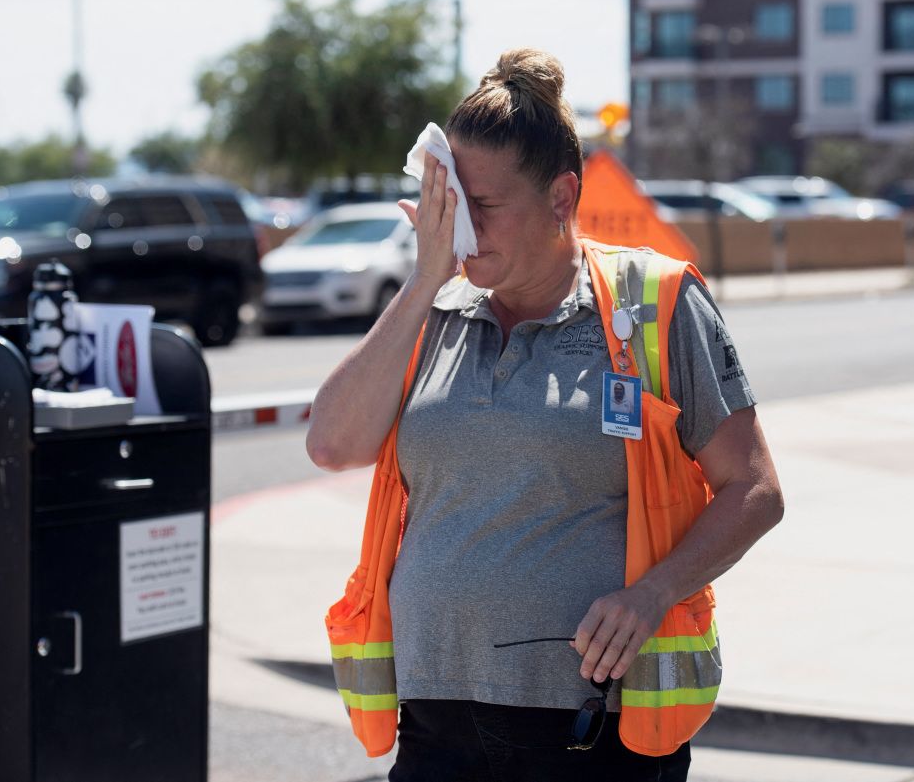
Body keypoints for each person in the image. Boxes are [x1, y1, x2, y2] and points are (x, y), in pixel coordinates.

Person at [308, 48, 784, 782]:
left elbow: (754, 489)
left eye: (485, 207)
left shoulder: (654, 303)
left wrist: (653, 593)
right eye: (452, 206)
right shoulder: (434, 311)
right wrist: (425, 277)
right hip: (435, 729)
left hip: (590, 734)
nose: (464, 229)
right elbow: (332, 443)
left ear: (562, 198)